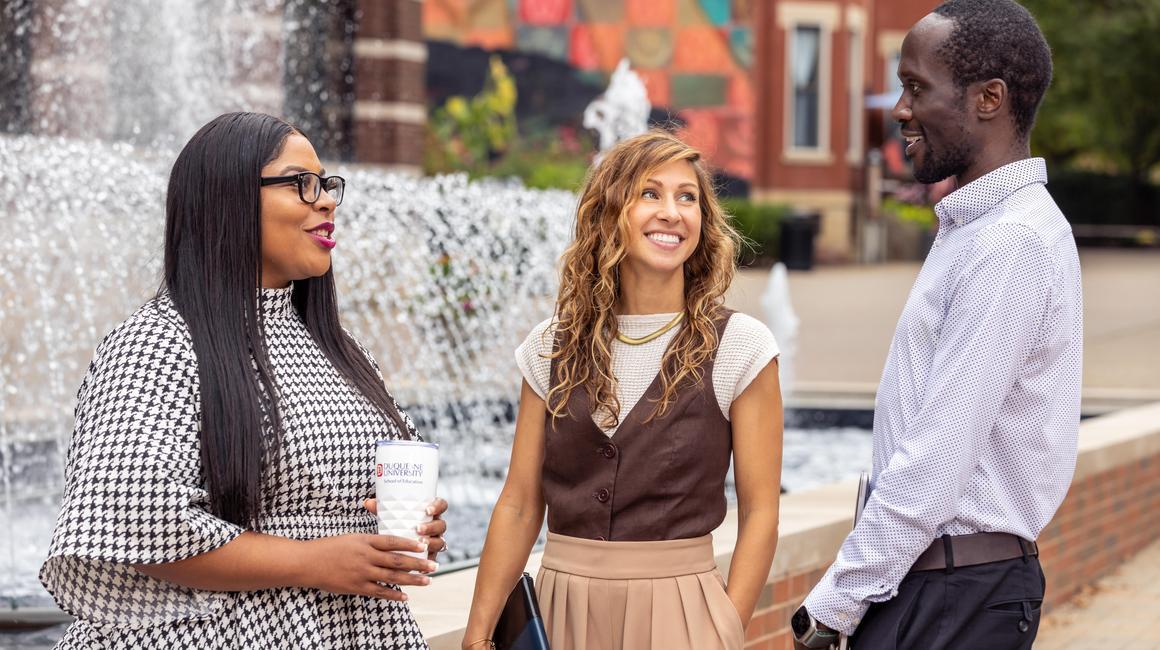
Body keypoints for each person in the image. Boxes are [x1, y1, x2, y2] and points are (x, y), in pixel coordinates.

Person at [40, 112, 448, 649]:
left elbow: (374, 494)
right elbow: (135, 521)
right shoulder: (156, 343)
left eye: (326, 184)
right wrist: (313, 560)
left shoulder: (340, 348)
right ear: (226, 199)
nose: (325, 200)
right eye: (301, 184)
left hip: (350, 628)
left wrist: (412, 529)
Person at [791, 1, 1082, 649]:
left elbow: (938, 455)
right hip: (942, 586)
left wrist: (834, 603)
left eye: (917, 87)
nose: (899, 109)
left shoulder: (1010, 243)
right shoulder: (980, 229)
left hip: (954, 592)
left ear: (989, 99)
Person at [463, 131, 784, 650]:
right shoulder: (550, 346)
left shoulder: (741, 346)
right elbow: (520, 503)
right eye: (650, 194)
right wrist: (478, 635)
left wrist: (725, 628)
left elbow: (762, 510)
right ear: (609, 213)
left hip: (683, 613)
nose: (672, 212)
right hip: (561, 605)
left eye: (688, 197)